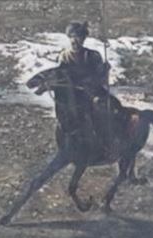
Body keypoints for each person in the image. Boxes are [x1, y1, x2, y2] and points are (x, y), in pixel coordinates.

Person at [56, 21, 122, 151]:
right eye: (72, 36)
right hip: (73, 94)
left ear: (84, 39)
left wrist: (104, 70)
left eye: (79, 37)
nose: (75, 40)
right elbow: (60, 76)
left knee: (107, 107)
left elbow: (100, 78)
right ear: (69, 38)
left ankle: (107, 142)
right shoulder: (63, 56)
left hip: (93, 91)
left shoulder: (93, 55)